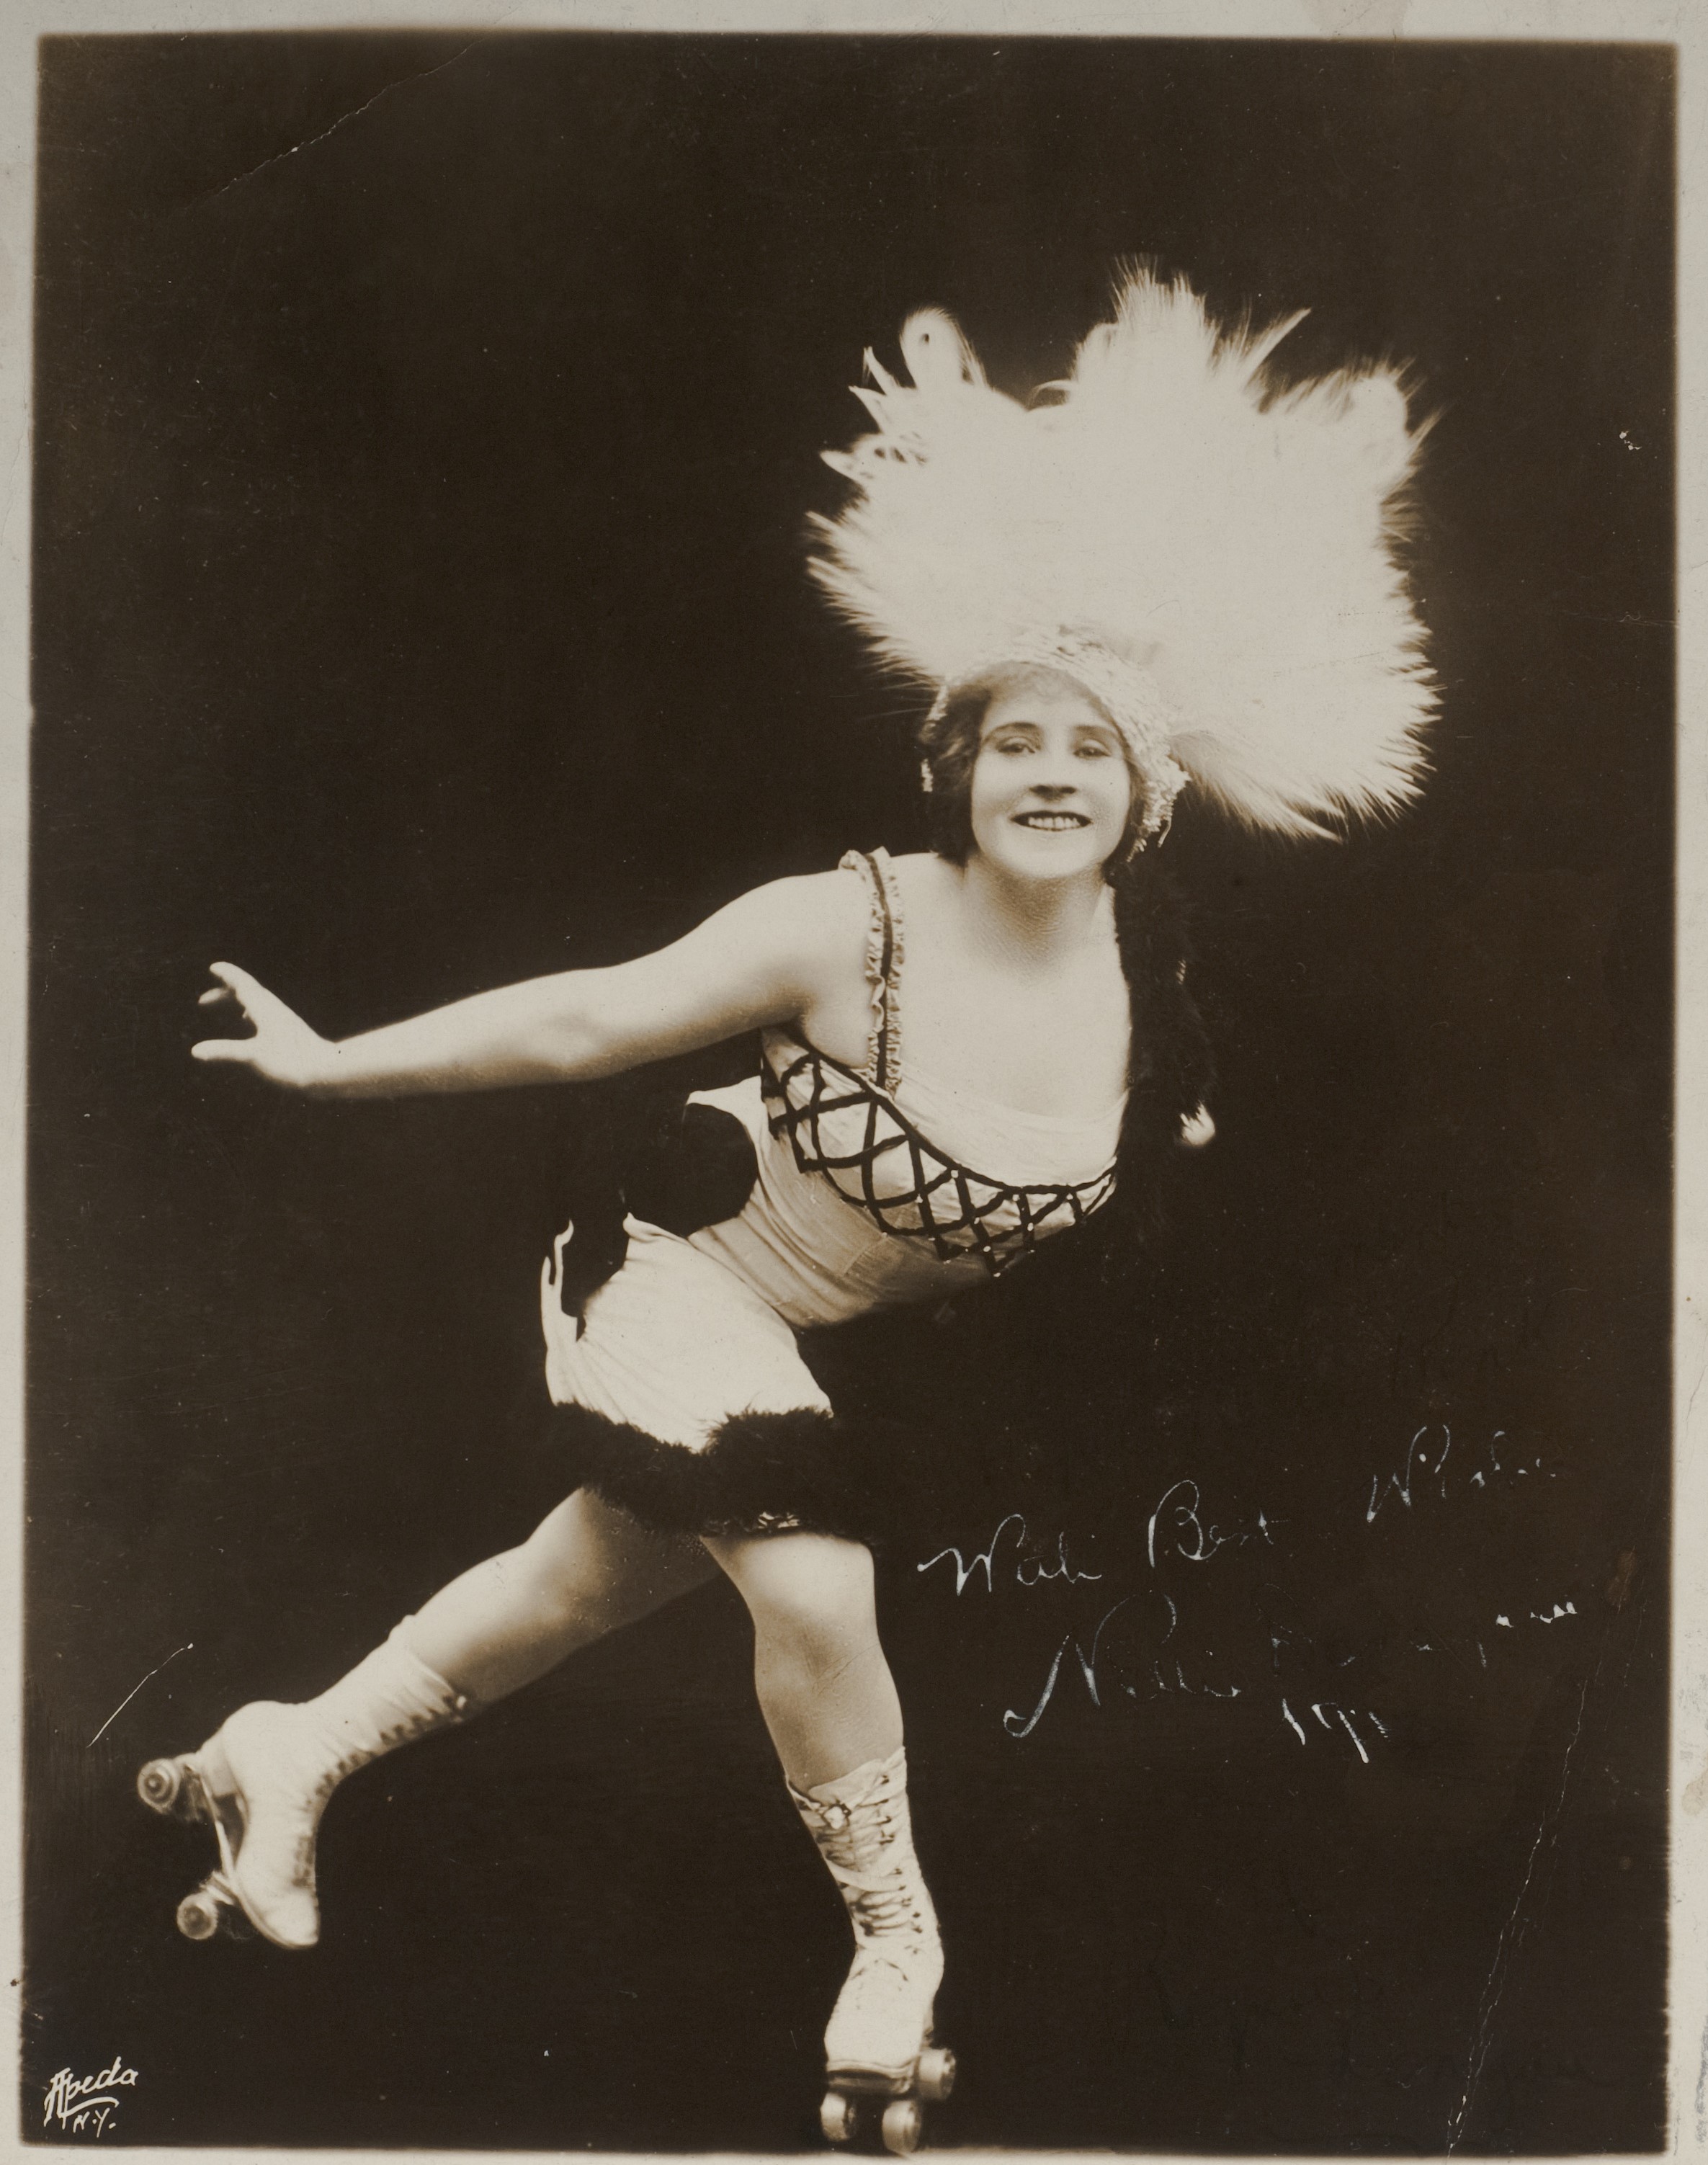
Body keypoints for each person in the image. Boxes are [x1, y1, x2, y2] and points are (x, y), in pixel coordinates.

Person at [138, 268, 1434, 2153]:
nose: (1048, 772)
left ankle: (293, 1746)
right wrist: (336, 1066)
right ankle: (895, 1949)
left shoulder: (1159, 999)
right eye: (1013, 741)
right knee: (813, 1571)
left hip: (806, 1335)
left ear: (1149, 801)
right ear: (955, 764)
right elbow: (587, 1014)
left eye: (1089, 750)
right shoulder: (848, 922)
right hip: (659, 1257)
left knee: (578, 1586)